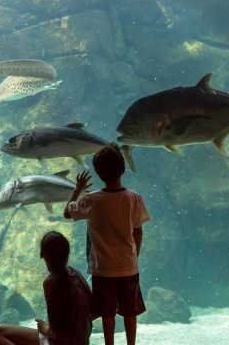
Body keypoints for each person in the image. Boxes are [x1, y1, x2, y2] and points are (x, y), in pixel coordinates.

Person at [64, 142, 150, 345]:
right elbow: (138, 230)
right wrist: (134, 255)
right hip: (128, 266)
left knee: (107, 312)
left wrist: (77, 190)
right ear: (123, 169)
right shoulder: (134, 198)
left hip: (103, 269)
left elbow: (68, 212)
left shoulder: (91, 199)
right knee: (130, 311)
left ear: (98, 173)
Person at [0, 230, 92, 345]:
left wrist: (44, 328)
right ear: (67, 253)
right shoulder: (77, 274)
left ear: (43, 255)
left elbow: (57, 333)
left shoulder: (50, 283)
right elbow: (91, 312)